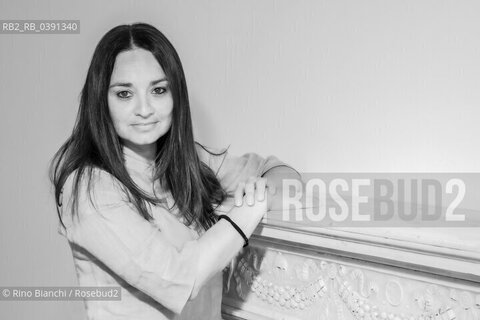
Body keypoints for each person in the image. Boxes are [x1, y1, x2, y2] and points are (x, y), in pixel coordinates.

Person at [50, 22, 300, 320]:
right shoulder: (89, 189)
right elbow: (180, 279)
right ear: (101, 101)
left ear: (175, 95)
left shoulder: (190, 162)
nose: (144, 109)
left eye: (158, 90)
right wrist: (247, 210)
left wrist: (262, 192)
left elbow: (279, 173)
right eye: (124, 94)